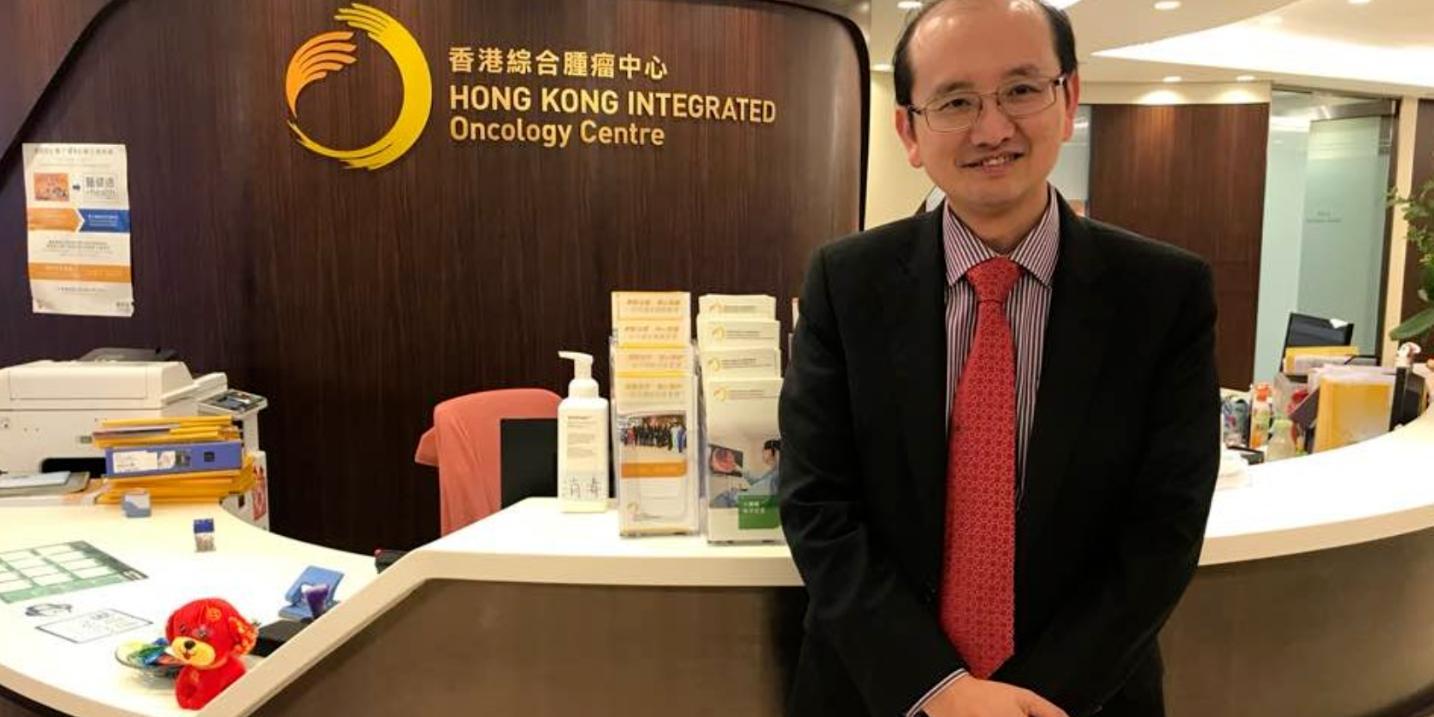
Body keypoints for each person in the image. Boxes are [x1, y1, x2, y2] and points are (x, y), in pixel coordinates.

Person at [777, 2, 1220, 716]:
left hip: (1080, 698)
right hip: (878, 692)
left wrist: (1027, 704)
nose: (992, 129)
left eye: (1021, 89)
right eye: (955, 101)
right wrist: (940, 689)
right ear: (909, 130)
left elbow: (1165, 526)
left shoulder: (1164, 294)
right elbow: (817, 503)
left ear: (1069, 99)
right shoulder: (845, 283)